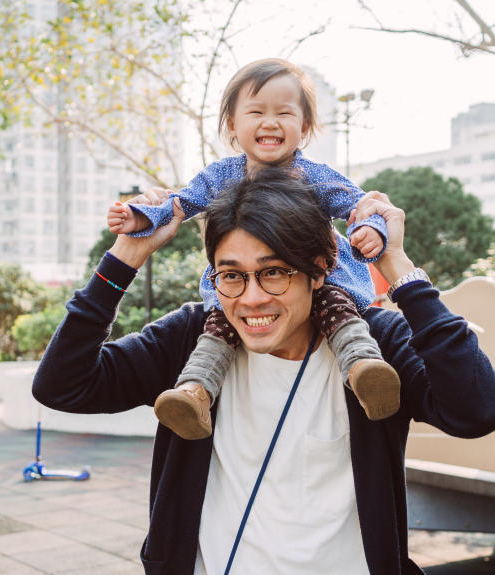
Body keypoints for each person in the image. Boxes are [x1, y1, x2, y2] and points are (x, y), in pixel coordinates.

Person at [33, 167, 495, 575]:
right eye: (232, 276)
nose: (251, 299)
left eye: (274, 273)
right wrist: (125, 257)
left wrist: (399, 269)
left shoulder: (374, 346)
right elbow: (62, 385)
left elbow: (479, 409)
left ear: (321, 268)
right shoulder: (192, 342)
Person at [106, 58, 399, 440]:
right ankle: (195, 392)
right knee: (217, 327)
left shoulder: (316, 176)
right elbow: (180, 202)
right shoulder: (220, 176)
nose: (270, 121)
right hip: (250, 290)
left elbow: (361, 205)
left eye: (284, 112)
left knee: (336, 308)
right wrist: (142, 217)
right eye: (256, 111)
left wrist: (370, 230)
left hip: (320, 279)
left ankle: (364, 368)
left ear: (304, 127)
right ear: (232, 124)